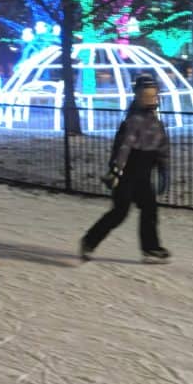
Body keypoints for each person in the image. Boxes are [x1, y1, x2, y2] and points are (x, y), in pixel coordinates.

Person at [80, 75, 171, 262]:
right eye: (146, 94)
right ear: (138, 96)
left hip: (144, 174)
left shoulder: (156, 123)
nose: (150, 98)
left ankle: (150, 248)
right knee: (120, 212)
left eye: (152, 94)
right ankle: (89, 241)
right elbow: (124, 148)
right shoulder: (132, 121)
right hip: (128, 174)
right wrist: (116, 170)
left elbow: (162, 148)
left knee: (150, 209)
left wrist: (164, 170)